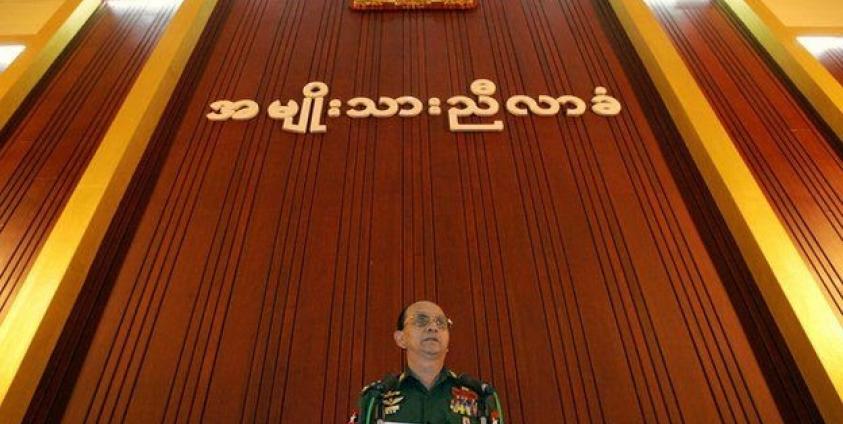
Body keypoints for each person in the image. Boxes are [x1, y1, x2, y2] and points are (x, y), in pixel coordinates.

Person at [350, 300, 503, 424]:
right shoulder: (376, 398)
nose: (432, 327)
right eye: (421, 320)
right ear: (400, 338)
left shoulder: (481, 396)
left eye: (441, 322)